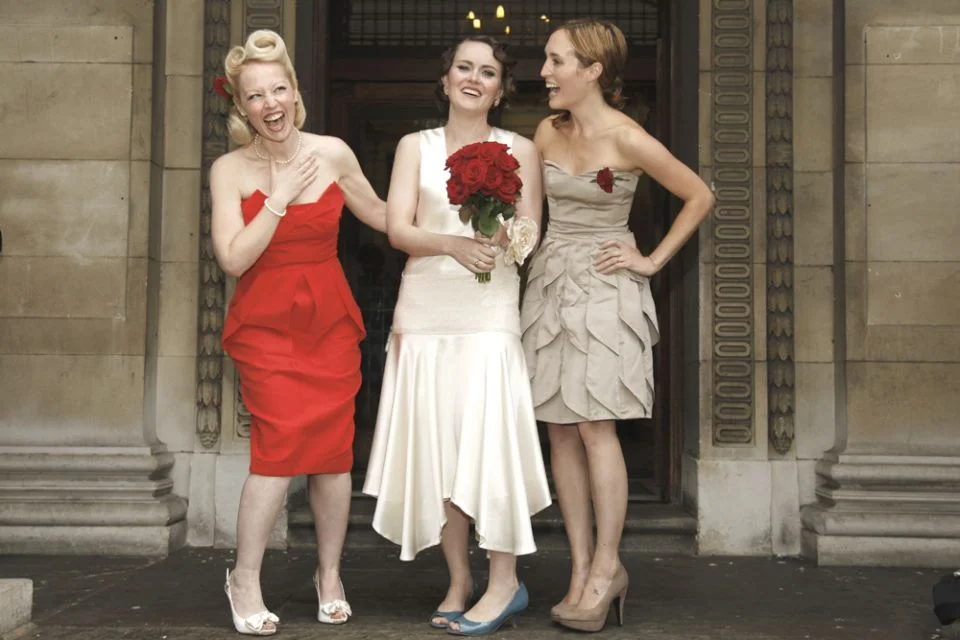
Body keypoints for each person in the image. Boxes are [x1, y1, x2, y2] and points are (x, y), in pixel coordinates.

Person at [521, 18, 715, 633]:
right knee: (558, 428)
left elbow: (700, 195)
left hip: (607, 288)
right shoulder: (547, 132)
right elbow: (531, 218)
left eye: (556, 61)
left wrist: (651, 260)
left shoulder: (630, 138)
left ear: (592, 70)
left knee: (595, 424)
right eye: (547, 61)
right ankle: (579, 569)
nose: (545, 72)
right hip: (551, 284)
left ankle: (609, 567)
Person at [362, 35, 551, 637]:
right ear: (444, 81)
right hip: (424, 314)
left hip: (488, 315)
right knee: (440, 454)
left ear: (501, 88)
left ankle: (505, 582)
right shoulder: (412, 147)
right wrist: (453, 242)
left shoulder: (519, 148)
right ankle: (459, 580)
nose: (474, 78)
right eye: (464, 68)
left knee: (489, 446)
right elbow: (397, 229)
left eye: (488, 71)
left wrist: (499, 237)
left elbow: (531, 234)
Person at [210, 29, 386, 635]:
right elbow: (234, 259)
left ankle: (329, 575)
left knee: (334, 458)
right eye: (255, 95)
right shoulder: (229, 170)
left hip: (329, 323)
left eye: (278, 88)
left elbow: (385, 216)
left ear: (294, 91)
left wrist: (461, 217)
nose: (270, 103)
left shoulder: (333, 153)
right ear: (242, 107)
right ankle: (244, 578)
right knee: (278, 452)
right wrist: (278, 199)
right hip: (266, 325)